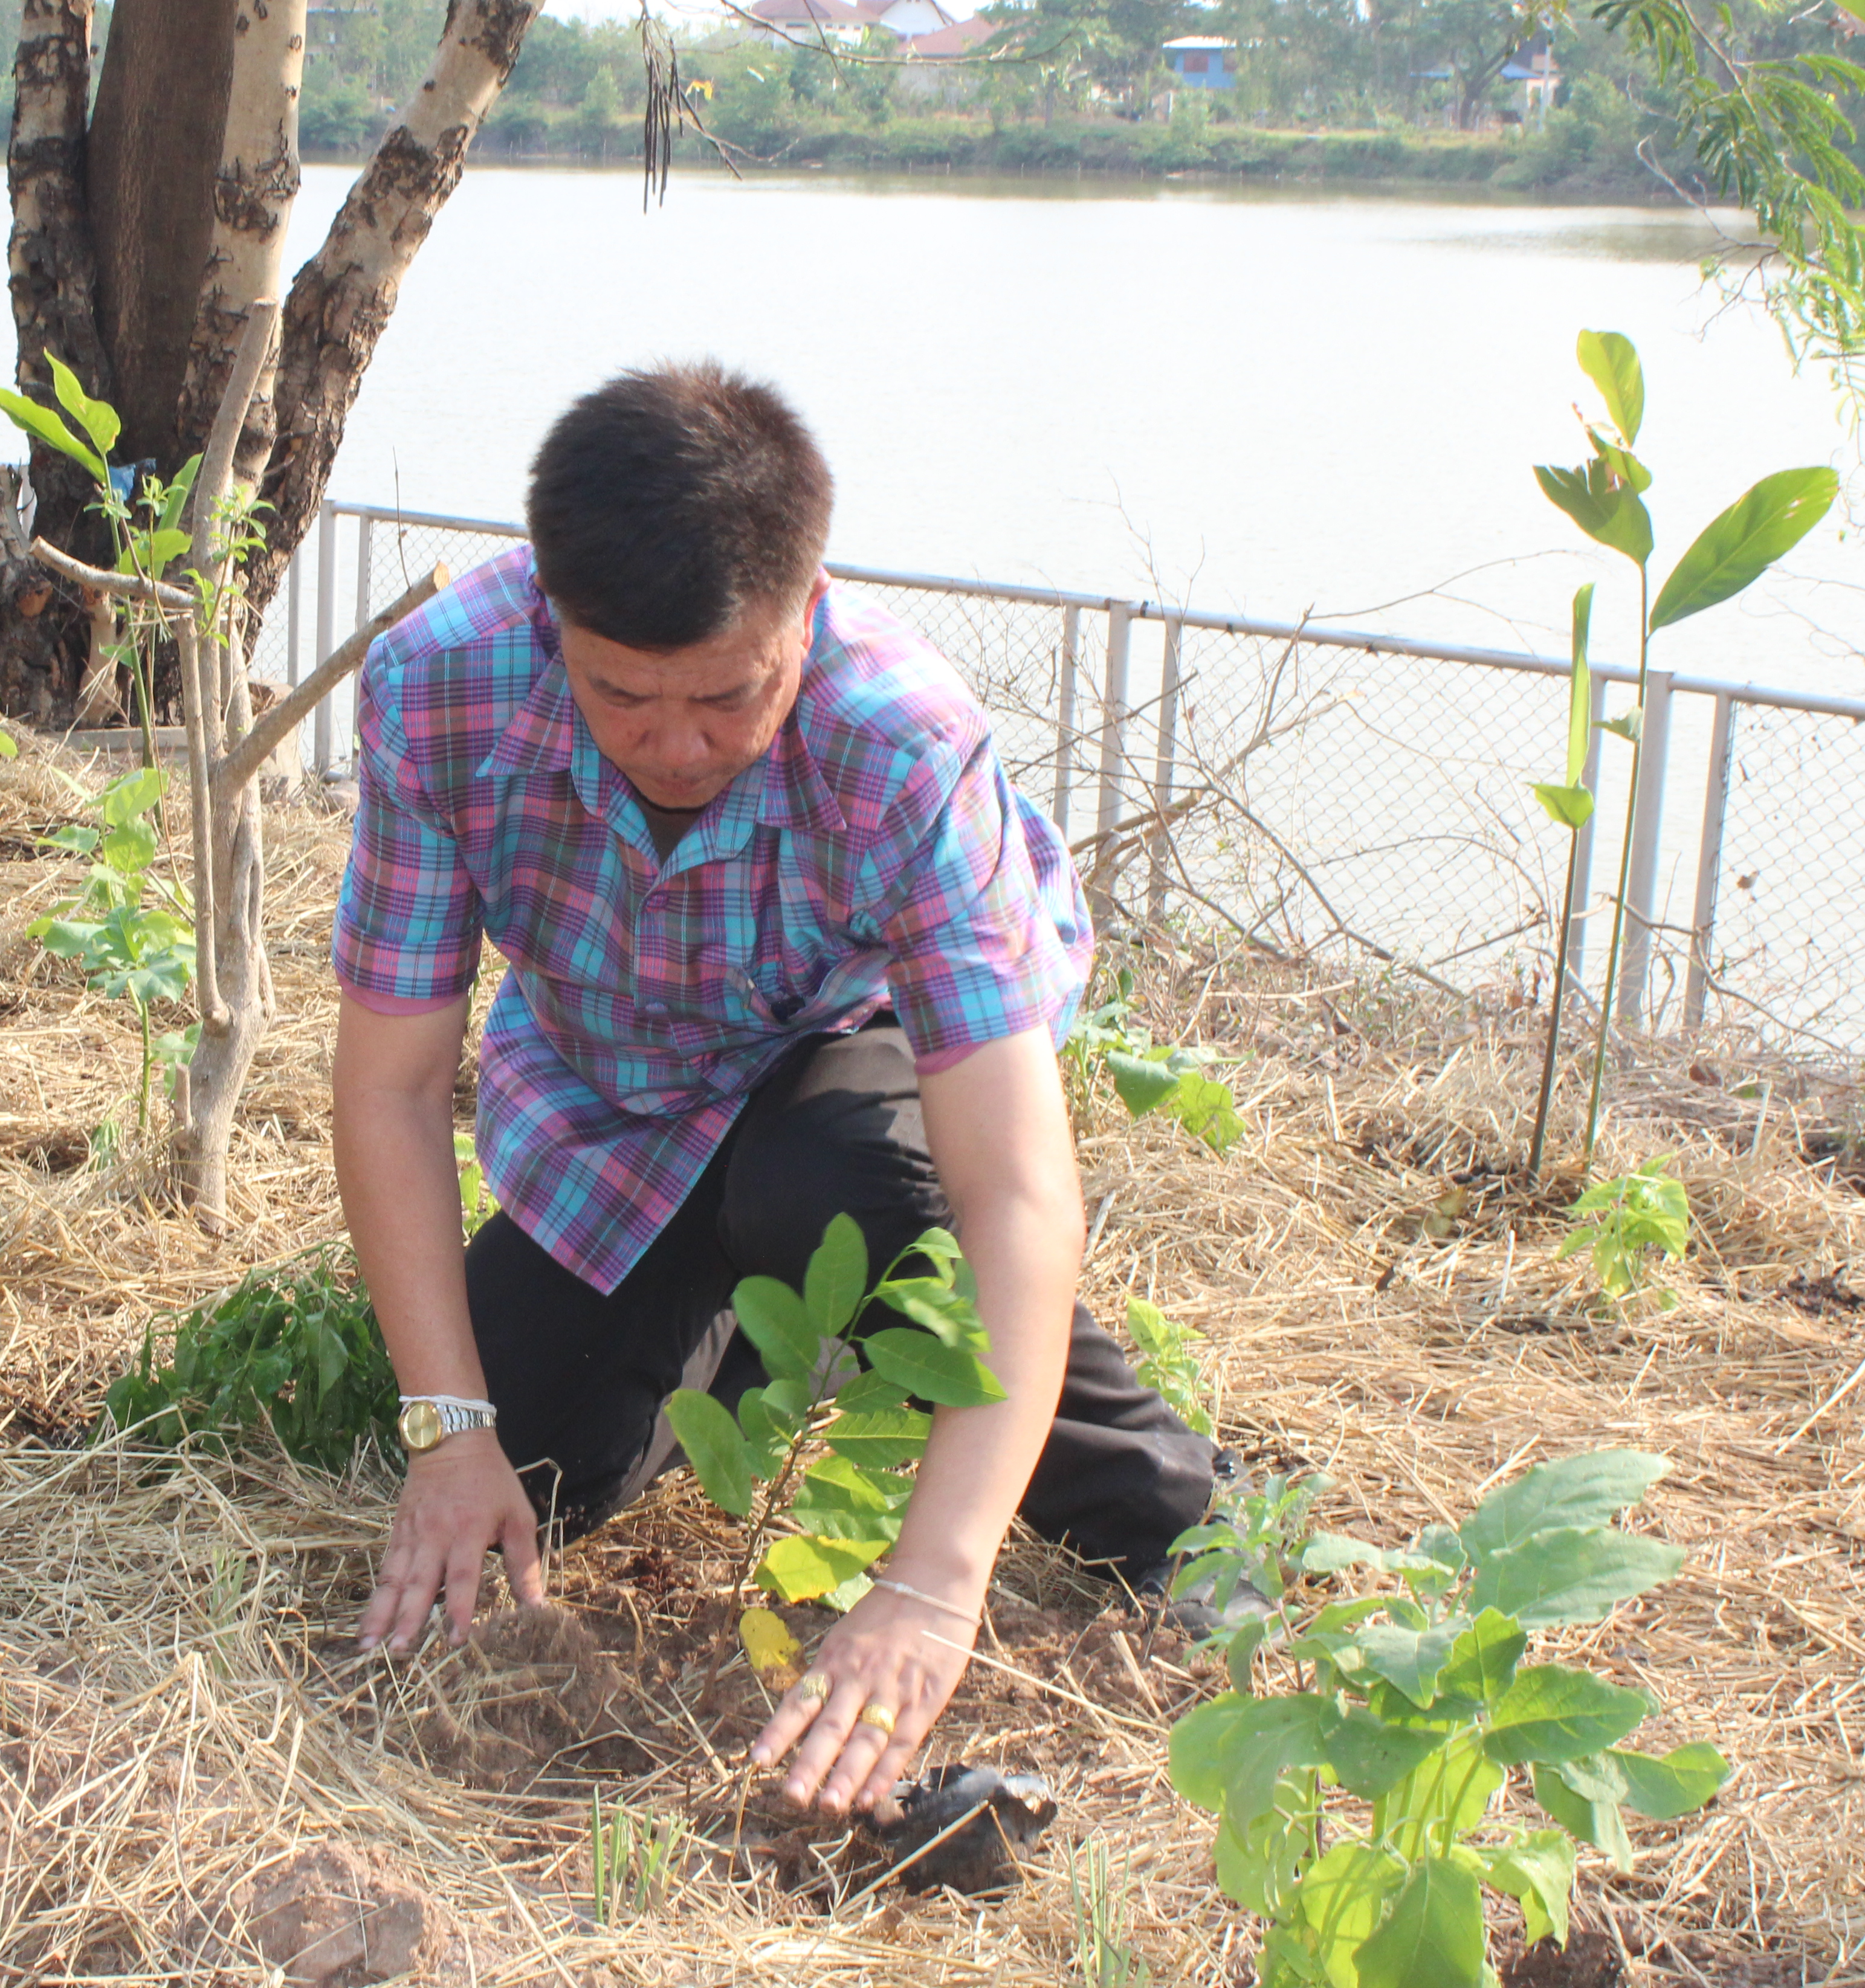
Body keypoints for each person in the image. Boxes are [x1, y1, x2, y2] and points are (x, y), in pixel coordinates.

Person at [331, 364, 1220, 1822]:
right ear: (551, 617)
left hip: (839, 1047)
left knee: (848, 1198)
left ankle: (1182, 1517)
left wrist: (934, 1584)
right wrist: (450, 1430)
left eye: (730, 695)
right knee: (525, 1458)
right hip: (606, 1098)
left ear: (809, 612)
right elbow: (392, 1088)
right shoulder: (441, 685)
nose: (678, 746)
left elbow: (1015, 1187)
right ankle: (766, 1343)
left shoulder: (904, 740)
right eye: (621, 694)